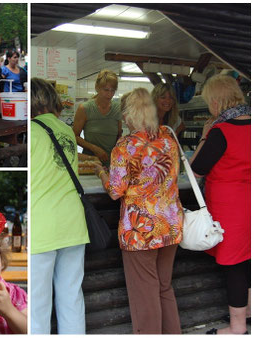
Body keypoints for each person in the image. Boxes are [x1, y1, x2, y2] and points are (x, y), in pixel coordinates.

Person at [94, 88, 183, 334]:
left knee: (144, 292)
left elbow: (115, 190)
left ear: (129, 114)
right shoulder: (168, 137)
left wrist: (101, 173)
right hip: (170, 225)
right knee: (164, 287)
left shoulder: (126, 145)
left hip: (140, 230)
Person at [189, 74, 250, 335]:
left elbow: (196, 170)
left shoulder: (220, 131)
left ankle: (237, 328)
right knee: (249, 262)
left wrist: (204, 136)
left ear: (215, 102)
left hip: (231, 211)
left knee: (235, 267)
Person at [31, 78, 89, 334]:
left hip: (41, 224)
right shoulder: (65, 130)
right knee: (71, 298)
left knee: (37, 305)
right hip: (73, 223)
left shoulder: (30, 131)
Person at [73, 69, 122, 166]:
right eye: (106, 90)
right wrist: (94, 149)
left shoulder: (117, 109)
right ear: (97, 88)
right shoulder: (85, 108)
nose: (109, 94)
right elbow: (74, 136)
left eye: (112, 90)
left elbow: (118, 135)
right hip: (91, 162)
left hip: (112, 163)